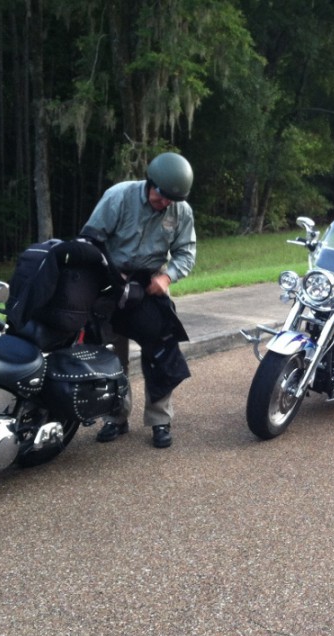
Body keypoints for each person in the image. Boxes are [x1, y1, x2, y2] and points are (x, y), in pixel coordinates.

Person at [80, 151, 197, 448]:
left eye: (172, 200)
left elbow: (186, 252)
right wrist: (109, 276)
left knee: (160, 351)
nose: (166, 204)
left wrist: (167, 276)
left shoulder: (180, 210)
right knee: (111, 353)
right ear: (150, 183)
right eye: (162, 197)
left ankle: (159, 419)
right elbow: (92, 240)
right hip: (113, 279)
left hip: (152, 283)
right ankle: (115, 417)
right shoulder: (119, 197)